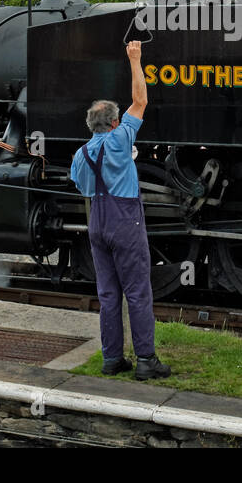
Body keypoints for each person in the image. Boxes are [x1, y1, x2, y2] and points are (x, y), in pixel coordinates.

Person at [69, 41, 171, 381]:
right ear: (114, 122)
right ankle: (145, 360)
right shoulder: (122, 137)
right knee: (138, 291)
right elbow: (140, 100)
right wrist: (135, 59)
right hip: (125, 219)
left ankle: (112, 358)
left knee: (108, 294)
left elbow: (82, 187)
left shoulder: (80, 154)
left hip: (96, 219)